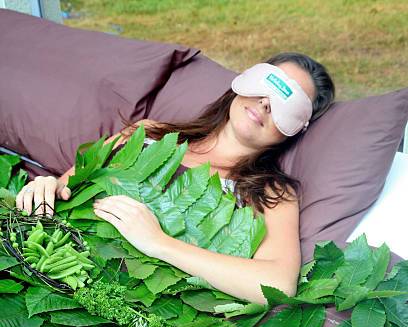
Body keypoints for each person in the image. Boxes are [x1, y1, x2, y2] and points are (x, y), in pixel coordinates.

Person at [15, 52, 335, 305]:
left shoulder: (272, 195)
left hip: (126, 302)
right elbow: (70, 186)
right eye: (268, 85)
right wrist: (49, 186)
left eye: (285, 104)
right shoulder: (147, 132)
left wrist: (159, 244)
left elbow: (276, 284)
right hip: (46, 260)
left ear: (297, 127)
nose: (266, 103)